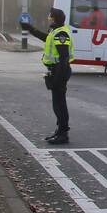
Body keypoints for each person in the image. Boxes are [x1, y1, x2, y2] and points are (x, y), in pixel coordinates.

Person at [21, 8, 74, 144]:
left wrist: (58, 78)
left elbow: (63, 58)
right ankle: (60, 130)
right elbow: (46, 38)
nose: (48, 17)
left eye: (49, 15)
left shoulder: (61, 33)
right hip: (56, 70)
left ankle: (63, 134)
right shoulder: (56, 31)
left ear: (54, 17)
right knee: (57, 104)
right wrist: (30, 29)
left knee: (60, 104)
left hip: (60, 70)